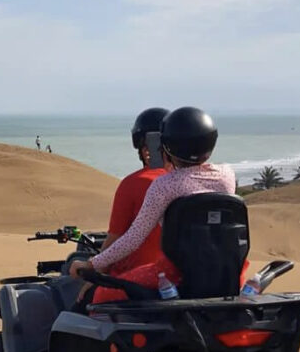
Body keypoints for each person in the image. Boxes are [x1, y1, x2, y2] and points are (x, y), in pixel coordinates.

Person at [69, 107, 235, 303]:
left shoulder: (164, 186)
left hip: (173, 276)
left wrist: (93, 264)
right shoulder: (227, 176)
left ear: (165, 146)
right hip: (223, 272)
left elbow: (134, 237)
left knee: (97, 296)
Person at [96, 107, 169, 271]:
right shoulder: (192, 181)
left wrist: (92, 270)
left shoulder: (134, 183)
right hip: (182, 280)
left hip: (136, 282)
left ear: (145, 149)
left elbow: (115, 240)